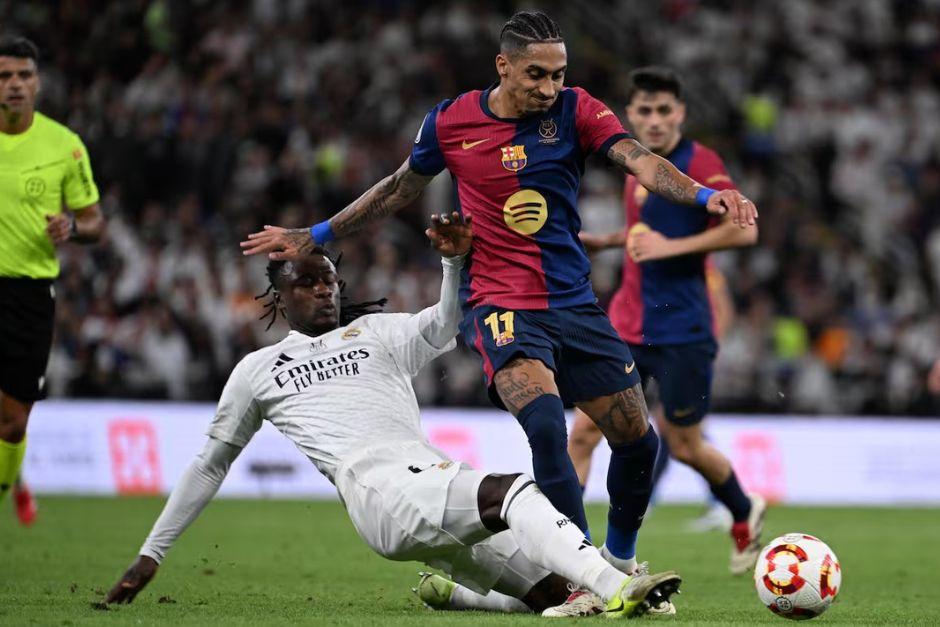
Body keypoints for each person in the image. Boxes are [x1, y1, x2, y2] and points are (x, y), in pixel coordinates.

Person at [240, 11, 756, 613]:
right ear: (503, 66)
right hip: (501, 305)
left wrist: (704, 194)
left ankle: (617, 562)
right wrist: (317, 233)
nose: (550, 87)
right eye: (537, 74)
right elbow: (399, 187)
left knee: (639, 444)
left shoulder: (578, 110)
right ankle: (581, 582)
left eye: (559, 74)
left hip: (574, 305)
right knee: (547, 427)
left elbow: (641, 160)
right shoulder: (451, 121)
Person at [105, 213, 681, 619]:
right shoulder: (259, 369)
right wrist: (151, 553)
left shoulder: (374, 333)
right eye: (307, 284)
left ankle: (458, 596)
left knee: (554, 592)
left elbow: (446, 323)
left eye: (329, 280)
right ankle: (617, 583)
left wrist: (453, 261)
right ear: (279, 297)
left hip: (427, 480)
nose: (324, 291)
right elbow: (210, 464)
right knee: (515, 493)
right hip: (379, 491)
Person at [567, 67, 764, 575]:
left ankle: (743, 508)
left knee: (685, 445)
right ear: (630, 115)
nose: (654, 120)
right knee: (583, 434)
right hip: (627, 326)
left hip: (683, 332)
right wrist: (610, 241)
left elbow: (744, 232)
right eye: (645, 111)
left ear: (680, 113)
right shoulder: (635, 164)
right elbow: (645, 233)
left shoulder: (701, 163)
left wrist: (669, 248)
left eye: (663, 110)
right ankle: (568, 550)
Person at [0, 37, 105, 505]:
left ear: (37, 82)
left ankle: (10, 484)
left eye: (23, 75)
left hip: (29, 295)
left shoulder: (64, 145)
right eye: (4, 76)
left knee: (13, 422)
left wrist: (72, 227)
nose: (14, 84)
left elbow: (95, 222)